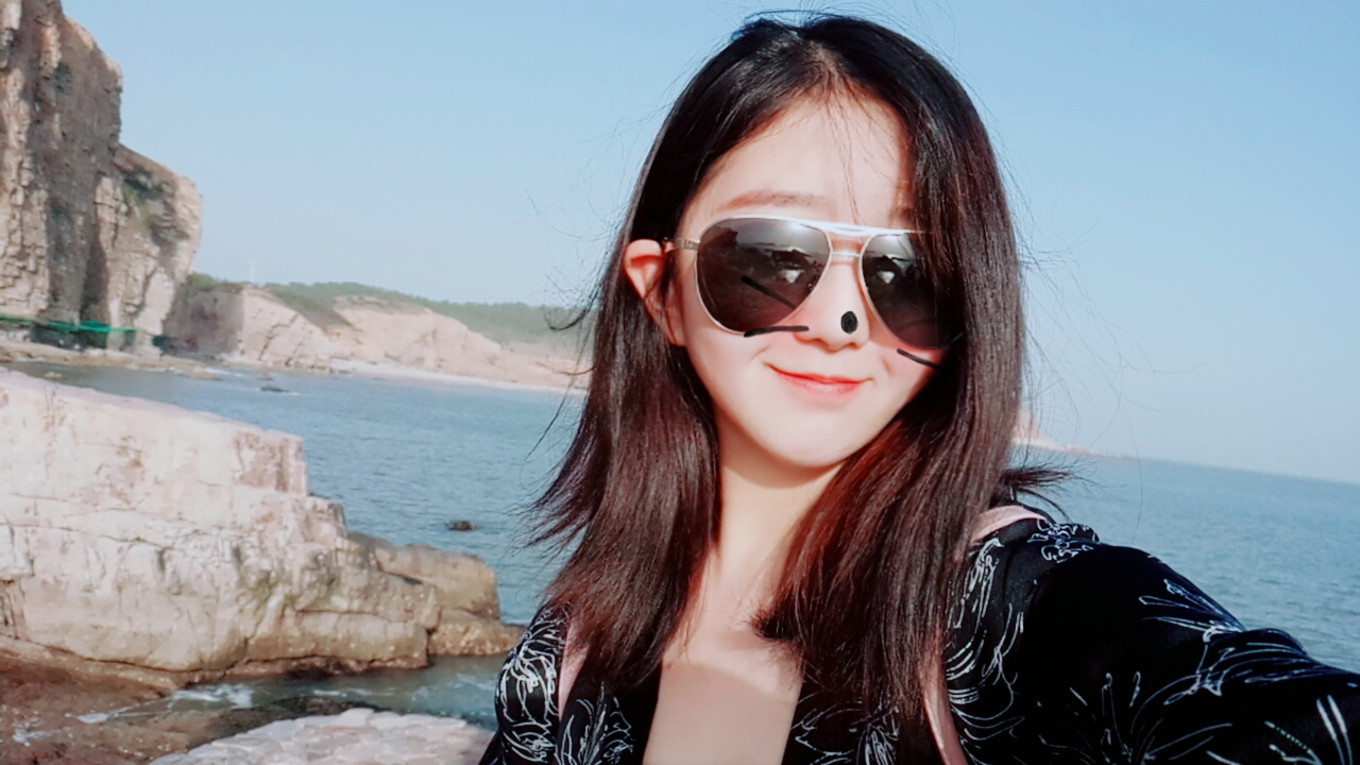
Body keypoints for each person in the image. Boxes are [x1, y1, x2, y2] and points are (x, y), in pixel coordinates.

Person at [479, 14, 1359, 765]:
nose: (842, 320)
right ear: (663, 290)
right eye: (774, 256)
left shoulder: (998, 610)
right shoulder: (569, 651)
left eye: (909, 272)